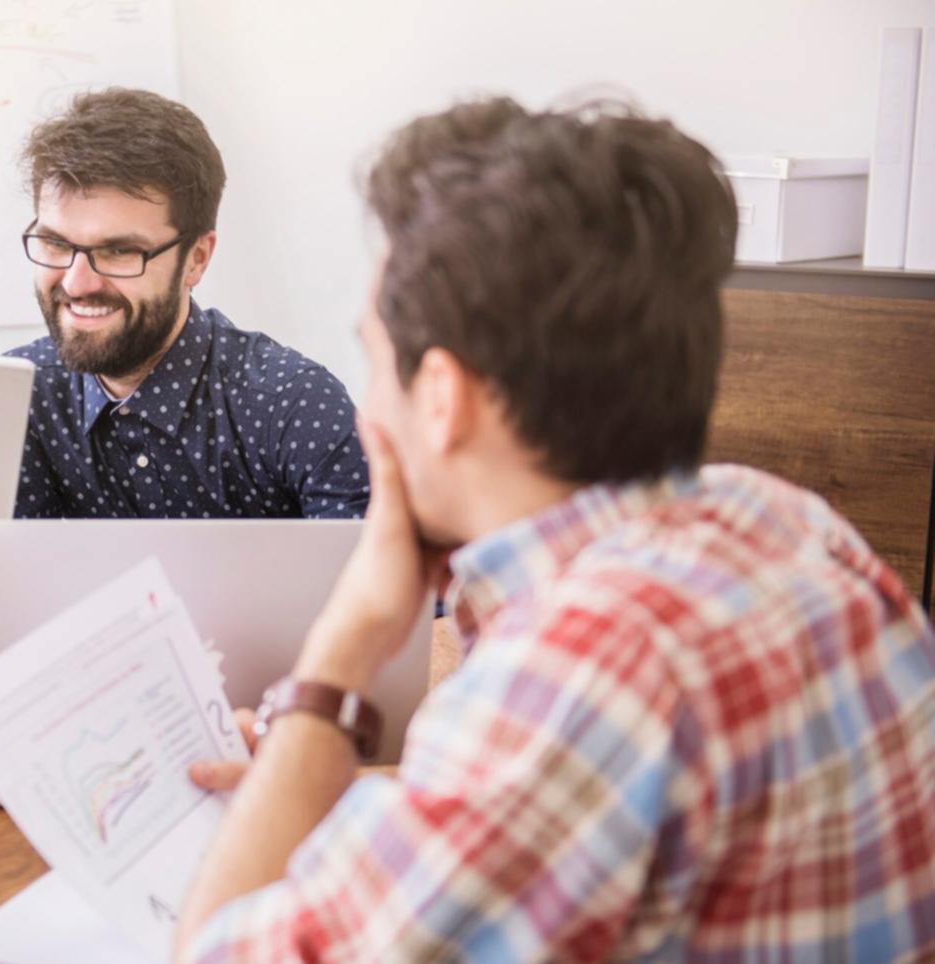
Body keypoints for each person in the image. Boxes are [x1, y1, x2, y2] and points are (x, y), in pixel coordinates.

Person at [176, 97, 935, 960]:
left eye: (374, 361)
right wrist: (325, 812)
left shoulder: (581, 673)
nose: (366, 409)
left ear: (441, 400)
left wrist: (338, 656)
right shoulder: (794, 525)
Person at [0, 88, 371, 759]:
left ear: (197, 258)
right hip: (74, 754)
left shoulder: (294, 403)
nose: (76, 282)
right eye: (54, 244)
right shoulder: (17, 394)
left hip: (270, 763)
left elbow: (402, 620)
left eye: (120, 252)